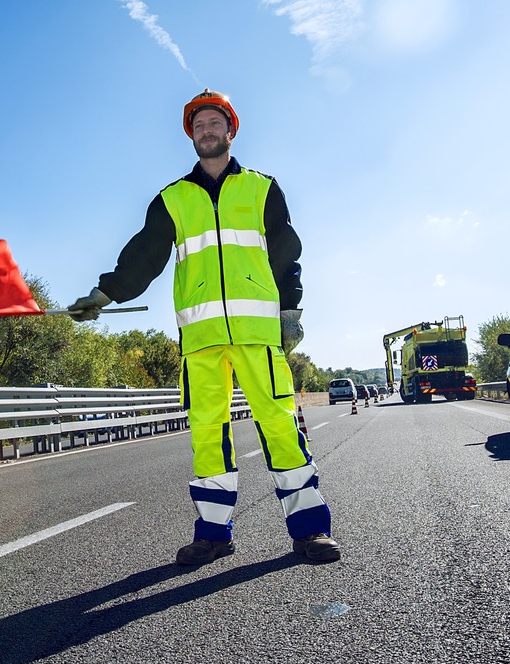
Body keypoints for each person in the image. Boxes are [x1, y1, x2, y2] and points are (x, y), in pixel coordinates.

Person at [68, 89, 340, 566]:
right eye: (198, 126)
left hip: (259, 338)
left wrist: (291, 311)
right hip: (202, 342)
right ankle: (213, 534)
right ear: (191, 136)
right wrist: (103, 295)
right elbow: (142, 258)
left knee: (280, 428)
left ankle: (311, 532)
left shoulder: (262, 189)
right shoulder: (173, 199)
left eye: (214, 123)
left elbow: (285, 255)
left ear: (230, 131)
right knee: (207, 436)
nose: (206, 131)